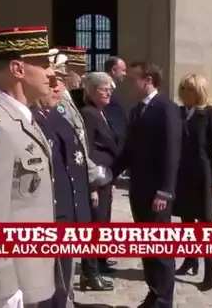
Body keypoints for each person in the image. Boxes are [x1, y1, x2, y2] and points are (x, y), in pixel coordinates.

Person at [0, 26, 59, 308]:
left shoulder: (23, 120)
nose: (50, 73)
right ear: (17, 68)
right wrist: (2, 288)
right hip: (11, 284)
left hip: (30, 273)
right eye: (42, 64)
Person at [32, 55, 113, 302]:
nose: (75, 76)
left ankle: (78, 283)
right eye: (71, 71)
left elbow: (78, 144)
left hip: (77, 181)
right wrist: (93, 180)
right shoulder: (54, 108)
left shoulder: (65, 103)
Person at [112, 61, 182, 308]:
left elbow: (172, 152)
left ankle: (164, 300)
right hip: (139, 191)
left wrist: (165, 190)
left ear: (148, 80)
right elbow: (129, 152)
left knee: (160, 248)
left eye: (133, 79)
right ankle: (154, 292)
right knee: (147, 245)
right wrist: (108, 174)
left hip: (157, 193)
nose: (129, 83)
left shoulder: (166, 108)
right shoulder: (136, 110)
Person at [172, 74, 212, 292]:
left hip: (203, 176)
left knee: (205, 226)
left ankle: (209, 272)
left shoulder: (211, 113)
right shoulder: (178, 112)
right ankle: (190, 259)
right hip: (182, 175)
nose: (184, 93)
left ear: (199, 91)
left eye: (189, 89)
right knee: (186, 222)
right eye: (182, 89)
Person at [81, 72, 123, 274]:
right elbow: (86, 149)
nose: (108, 93)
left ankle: (102, 259)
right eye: (104, 89)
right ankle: (92, 269)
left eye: (109, 89)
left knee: (104, 221)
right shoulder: (88, 113)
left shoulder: (101, 112)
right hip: (96, 179)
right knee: (96, 223)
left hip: (106, 178)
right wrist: (92, 187)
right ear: (92, 91)